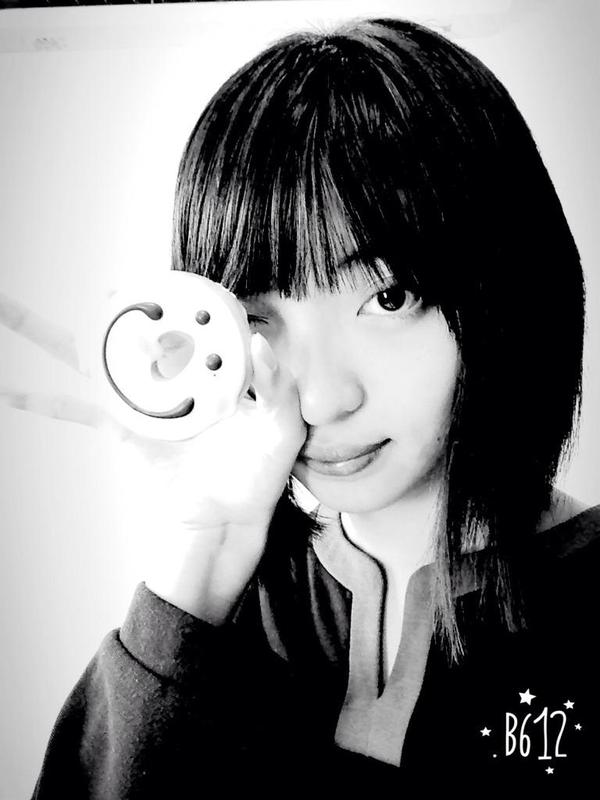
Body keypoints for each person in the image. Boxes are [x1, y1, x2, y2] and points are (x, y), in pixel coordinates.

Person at [4, 16, 597, 796]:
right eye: (259, 316)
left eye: (390, 296)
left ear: (506, 281)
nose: (322, 397)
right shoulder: (231, 608)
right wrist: (202, 555)